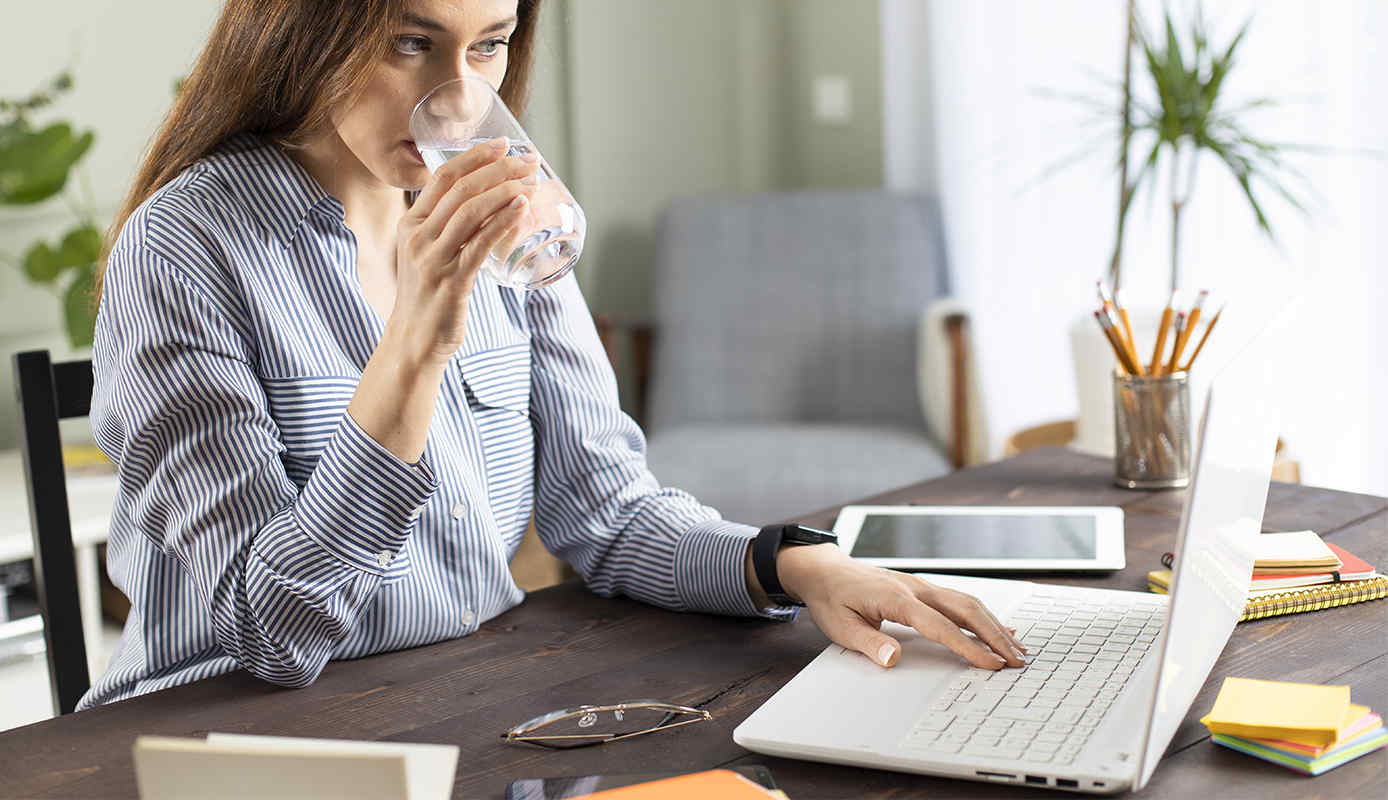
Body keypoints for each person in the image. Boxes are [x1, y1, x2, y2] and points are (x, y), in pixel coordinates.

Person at [81, 0, 1024, 710]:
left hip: (459, 706)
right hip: (232, 738)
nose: (460, 93)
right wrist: (414, 347)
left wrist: (790, 565)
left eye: (487, 44)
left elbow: (606, 512)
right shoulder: (186, 248)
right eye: (412, 43)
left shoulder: (507, 221)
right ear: (307, 31)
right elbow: (270, 631)